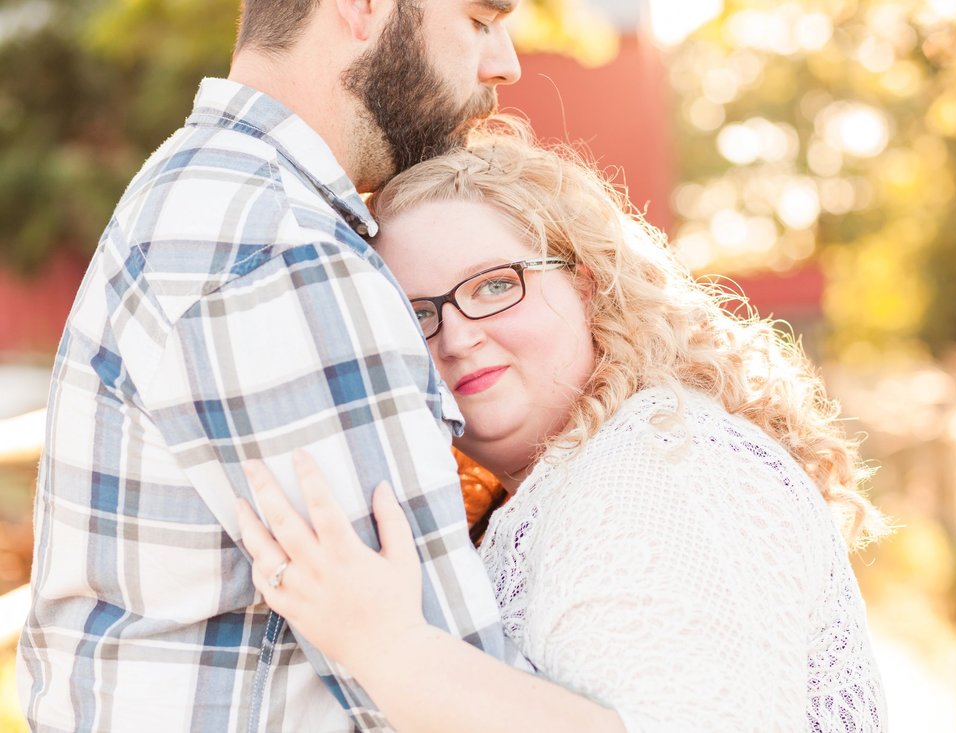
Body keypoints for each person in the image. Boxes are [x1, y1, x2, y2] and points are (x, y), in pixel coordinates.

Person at [236, 126, 891, 731]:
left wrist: (387, 647)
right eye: (416, 315)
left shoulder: (664, 463)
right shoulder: (567, 480)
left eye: (495, 286)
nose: (457, 335)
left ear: (588, 283)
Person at [18, 1, 526, 730]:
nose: (504, 62)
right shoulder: (280, 248)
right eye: (480, 19)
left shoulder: (206, 189)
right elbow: (449, 694)